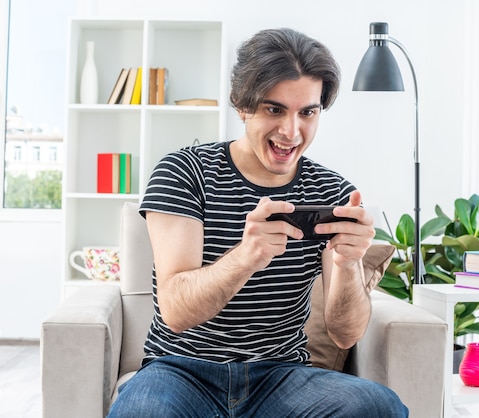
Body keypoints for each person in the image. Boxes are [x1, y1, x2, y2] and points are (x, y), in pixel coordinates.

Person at [107, 27, 408, 418]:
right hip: (180, 371)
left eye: (308, 112)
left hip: (281, 377)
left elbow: (345, 334)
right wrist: (247, 256)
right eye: (274, 109)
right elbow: (176, 312)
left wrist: (347, 265)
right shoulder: (183, 172)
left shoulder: (332, 192)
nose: (291, 131)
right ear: (241, 105)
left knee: (379, 407)